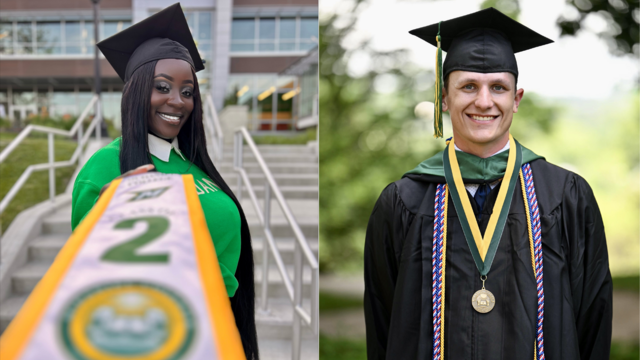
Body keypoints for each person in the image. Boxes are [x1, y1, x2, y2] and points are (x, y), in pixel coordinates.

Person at [363, 8, 612, 360]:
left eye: (498, 87)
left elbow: (593, 319)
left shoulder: (565, 196)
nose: (484, 101)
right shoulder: (403, 202)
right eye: (468, 87)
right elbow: (383, 321)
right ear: (444, 98)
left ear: (517, 99)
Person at [70, 4, 259, 359]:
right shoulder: (107, 165)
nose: (178, 101)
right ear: (136, 91)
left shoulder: (195, 168)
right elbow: (87, 281)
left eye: (188, 92)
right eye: (163, 87)